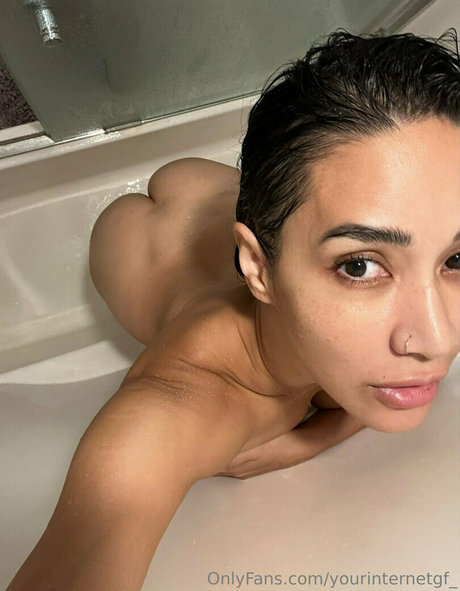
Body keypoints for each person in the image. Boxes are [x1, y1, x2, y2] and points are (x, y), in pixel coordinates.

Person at [7, 28, 460, 591]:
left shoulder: (367, 338)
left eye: (455, 258)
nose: (438, 339)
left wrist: (304, 441)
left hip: (226, 199)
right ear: (258, 269)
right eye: (359, 266)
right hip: (133, 243)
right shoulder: (176, 407)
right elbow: (122, 480)